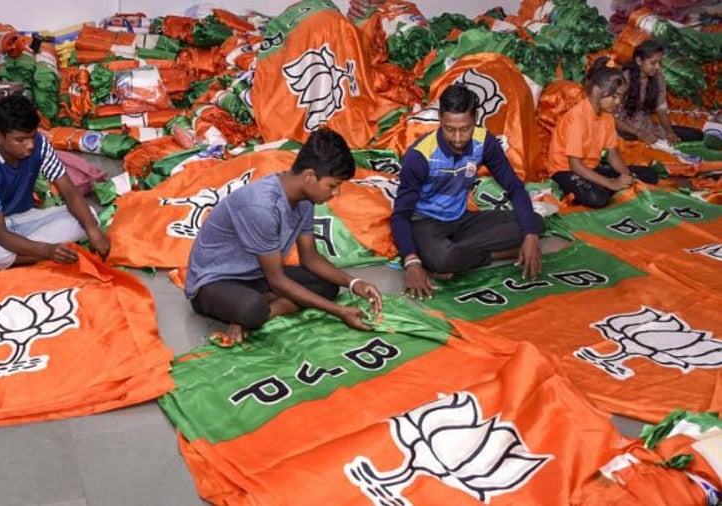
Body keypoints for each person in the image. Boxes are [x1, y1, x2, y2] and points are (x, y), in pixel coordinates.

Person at [185, 129, 383, 343]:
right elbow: (277, 281)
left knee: (328, 285)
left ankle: (264, 309)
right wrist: (339, 312)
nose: (336, 193)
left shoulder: (305, 200)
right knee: (252, 310)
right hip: (214, 282)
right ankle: (255, 312)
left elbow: (310, 257)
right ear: (309, 176)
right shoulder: (262, 206)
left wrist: (355, 283)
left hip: (256, 274)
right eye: (333, 186)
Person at [391, 83, 545, 300]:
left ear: (476, 120)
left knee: (535, 223)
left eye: (465, 129)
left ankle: (456, 256)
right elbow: (400, 216)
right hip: (425, 224)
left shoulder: (485, 143)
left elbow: (515, 187)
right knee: (443, 258)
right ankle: (493, 254)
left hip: (462, 220)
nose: (457, 138)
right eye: (449, 129)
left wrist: (530, 236)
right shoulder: (419, 156)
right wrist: (411, 261)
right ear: (440, 121)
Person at [0, 94, 110, 269]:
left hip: (25, 220)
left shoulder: (40, 145)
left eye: (32, 136)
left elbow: (70, 192)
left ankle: (13, 256)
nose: (29, 145)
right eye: (20, 140)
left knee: (88, 216)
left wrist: (93, 232)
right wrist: (46, 250)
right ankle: (28, 256)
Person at [547, 58, 658, 209]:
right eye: (614, 96)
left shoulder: (607, 116)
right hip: (565, 171)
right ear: (597, 92)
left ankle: (607, 186)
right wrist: (611, 183)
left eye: (621, 97)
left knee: (649, 175)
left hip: (591, 167)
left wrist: (628, 176)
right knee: (597, 198)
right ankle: (606, 187)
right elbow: (575, 165)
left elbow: (612, 153)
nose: (618, 102)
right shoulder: (577, 119)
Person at [615, 40, 703, 145]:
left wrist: (669, 131)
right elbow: (612, 119)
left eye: (659, 63)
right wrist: (638, 133)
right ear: (639, 61)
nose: (657, 67)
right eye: (653, 63)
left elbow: (661, 109)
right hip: (624, 132)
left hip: (647, 127)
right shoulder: (623, 81)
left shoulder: (658, 79)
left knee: (697, 135)